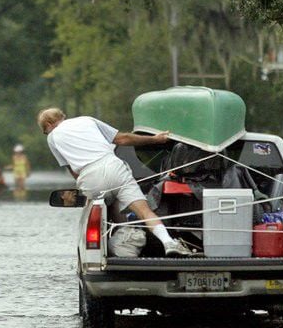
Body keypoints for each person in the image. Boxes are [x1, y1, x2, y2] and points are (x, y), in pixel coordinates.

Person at [37, 107, 191, 256]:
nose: (47, 134)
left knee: (97, 211)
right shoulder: (88, 120)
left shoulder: (52, 138)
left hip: (89, 176)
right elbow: (122, 139)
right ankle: (168, 242)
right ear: (61, 117)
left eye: (45, 131)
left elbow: (72, 170)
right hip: (113, 166)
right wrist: (156, 139)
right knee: (145, 212)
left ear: (49, 125)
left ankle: (104, 251)